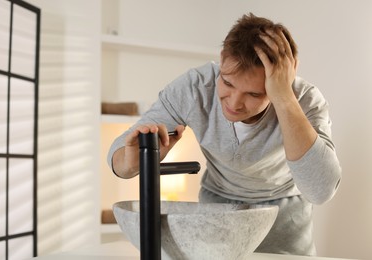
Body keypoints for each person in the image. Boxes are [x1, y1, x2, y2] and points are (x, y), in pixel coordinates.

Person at [107, 13, 341, 256]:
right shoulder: (195, 87)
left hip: (283, 225)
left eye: (254, 94)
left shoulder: (304, 100)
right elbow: (119, 162)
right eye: (228, 83)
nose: (235, 103)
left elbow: (321, 191)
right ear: (221, 61)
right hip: (215, 216)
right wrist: (135, 159)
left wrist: (284, 98)